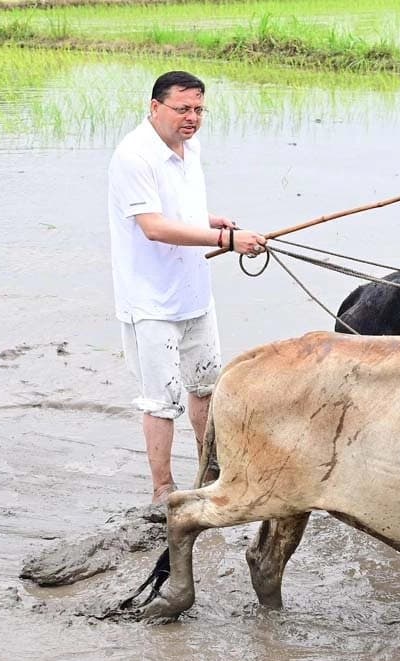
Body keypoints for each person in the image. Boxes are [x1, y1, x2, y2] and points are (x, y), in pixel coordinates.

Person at [107, 70, 266, 504]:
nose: (192, 118)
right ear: (155, 107)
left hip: (195, 292)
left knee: (206, 386)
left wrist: (209, 220)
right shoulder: (134, 156)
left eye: (198, 109)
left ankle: (208, 470)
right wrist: (223, 240)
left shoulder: (189, 148)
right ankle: (162, 489)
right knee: (161, 401)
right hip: (151, 301)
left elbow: (178, 207)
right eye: (182, 109)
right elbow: (154, 227)